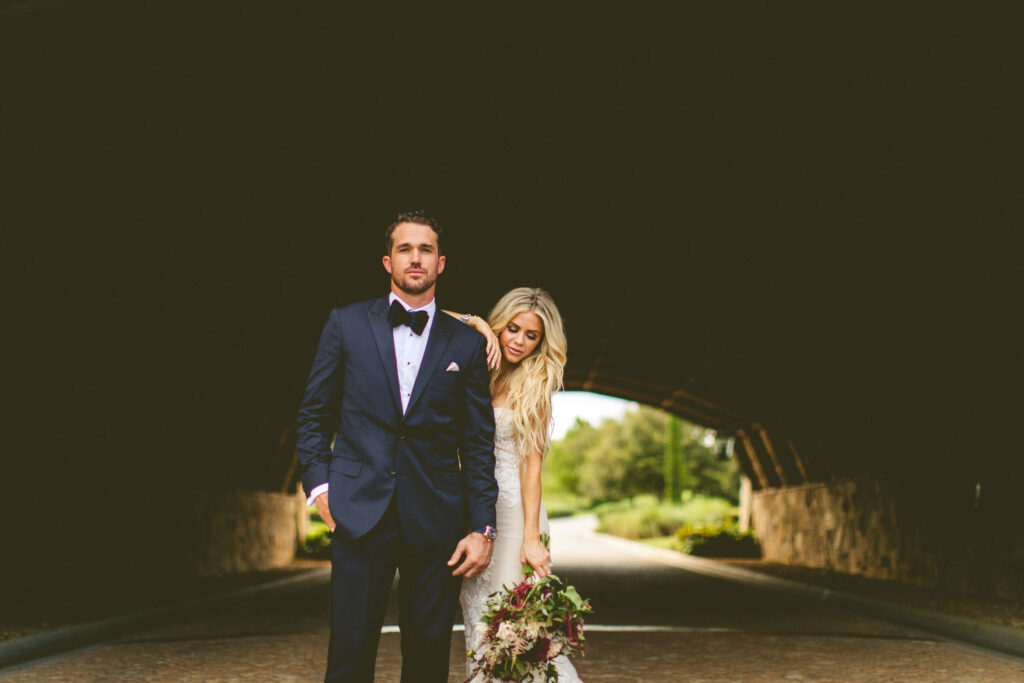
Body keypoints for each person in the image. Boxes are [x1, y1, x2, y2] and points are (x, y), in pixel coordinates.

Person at [295, 211, 499, 683]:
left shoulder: (466, 344)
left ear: (441, 263)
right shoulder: (345, 324)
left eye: (425, 249)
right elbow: (313, 415)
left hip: (436, 518)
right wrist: (319, 487)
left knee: (428, 654)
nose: (415, 258)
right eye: (405, 249)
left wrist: (482, 526)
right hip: (359, 509)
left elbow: (477, 441)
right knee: (350, 647)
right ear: (387, 260)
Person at [453, 287, 583, 682]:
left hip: (515, 519)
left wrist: (531, 538)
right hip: (474, 512)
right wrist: (477, 324)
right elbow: (429, 314)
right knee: (479, 624)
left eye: (532, 336)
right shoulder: (481, 366)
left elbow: (532, 468)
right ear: (500, 324)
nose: (520, 342)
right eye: (512, 329)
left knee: (517, 631)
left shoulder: (536, 386)